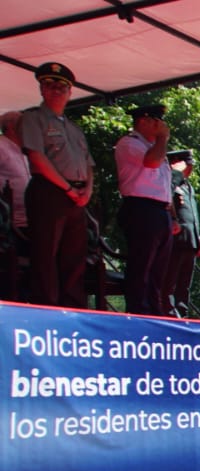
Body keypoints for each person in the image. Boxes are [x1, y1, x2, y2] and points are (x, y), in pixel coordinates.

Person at [18, 62, 92, 308]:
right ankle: (46, 307)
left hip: (77, 196)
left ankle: (73, 309)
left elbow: (88, 164)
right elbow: (38, 159)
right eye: (49, 85)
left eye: (62, 86)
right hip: (49, 192)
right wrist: (68, 189)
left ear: (70, 92)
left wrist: (86, 191)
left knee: (74, 256)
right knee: (46, 254)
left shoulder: (74, 128)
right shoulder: (32, 119)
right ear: (41, 90)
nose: (56, 90)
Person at [114, 103, 174, 316]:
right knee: (142, 264)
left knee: (158, 269)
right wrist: (162, 139)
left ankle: (154, 309)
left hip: (159, 210)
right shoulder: (129, 143)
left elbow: (164, 183)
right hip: (141, 208)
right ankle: (138, 309)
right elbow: (150, 163)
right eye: (156, 121)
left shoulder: (154, 147)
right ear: (143, 121)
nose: (161, 126)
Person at [159, 150, 200, 316]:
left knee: (184, 284)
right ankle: (168, 312)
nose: (189, 169)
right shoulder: (170, 181)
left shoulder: (188, 186)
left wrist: (197, 236)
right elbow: (166, 201)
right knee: (170, 281)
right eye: (187, 165)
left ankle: (182, 313)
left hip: (191, 240)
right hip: (175, 239)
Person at [0, 110, 29, 235]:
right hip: (11, 226)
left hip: (30, 220)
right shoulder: (1, 147)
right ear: (11, 127)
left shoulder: (24, 151)